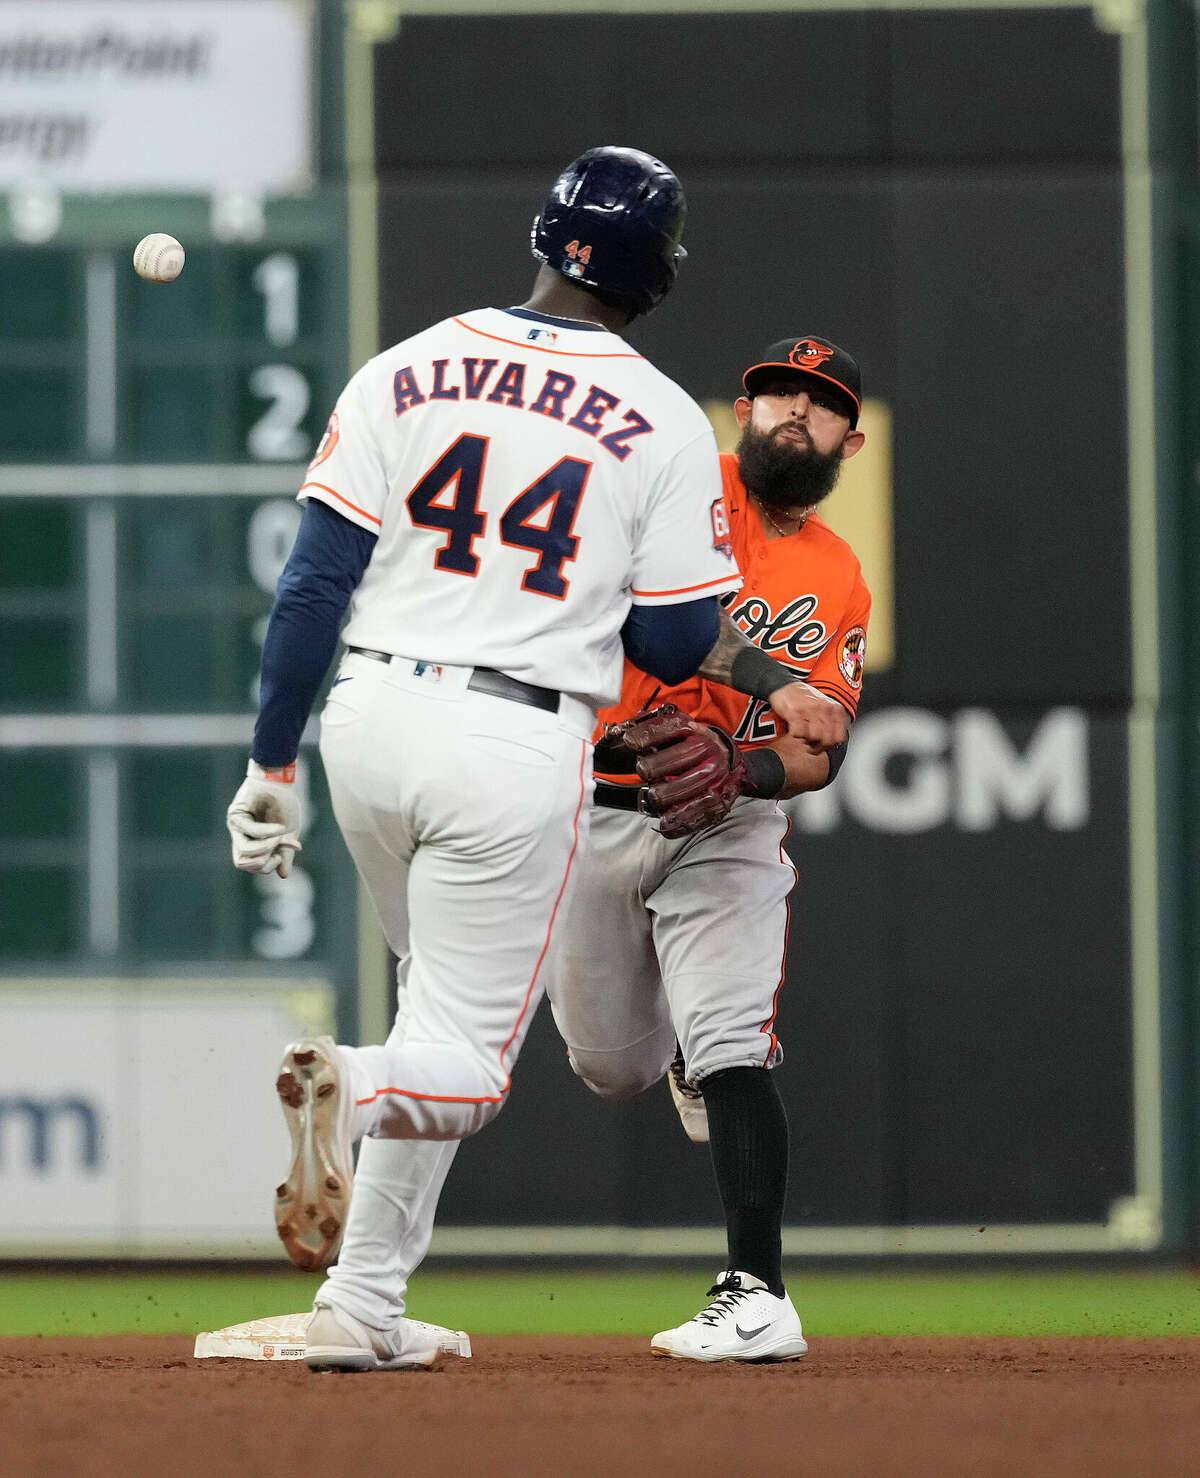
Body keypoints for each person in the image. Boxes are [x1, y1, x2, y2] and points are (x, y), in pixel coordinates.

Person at [224, 150, 846, 1373]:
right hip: (511, 738)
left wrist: (271, 763)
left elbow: (309, 586)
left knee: (433, 1000)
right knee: (459, 1061)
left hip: (364, 719)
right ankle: (344, 1083)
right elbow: (671, 636)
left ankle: (362, 1304)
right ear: (658, 273)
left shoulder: (404, 364)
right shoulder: (664, 414)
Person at [546, 334, 871, 1363]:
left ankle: (758, 1291)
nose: (793, 412)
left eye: (817, 405)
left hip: (722, 824)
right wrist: (774, 682)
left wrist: (748, 775)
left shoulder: (841, 577)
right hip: (594, 804)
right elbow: (658, 627)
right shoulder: (684, 488)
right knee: (609, 1068)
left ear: (849, 442)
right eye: (777, 392)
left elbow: (820, 750)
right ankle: (669, 1052)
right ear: (742, 411)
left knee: (734, 1036)